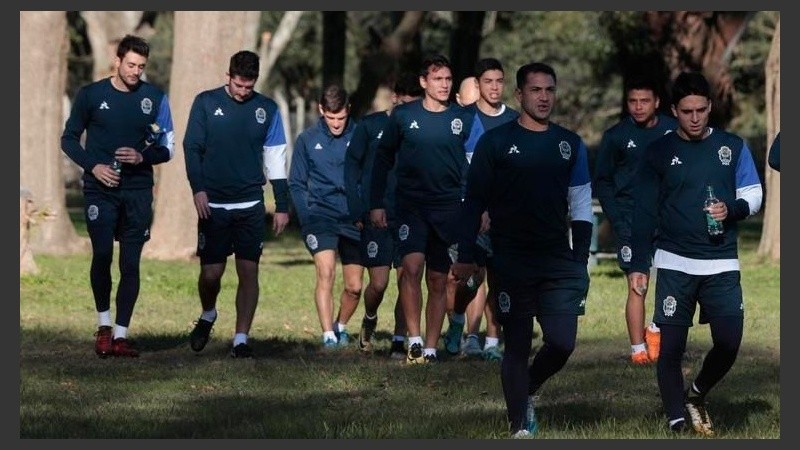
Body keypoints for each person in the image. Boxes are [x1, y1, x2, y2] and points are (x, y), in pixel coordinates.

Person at [451, 62, 593, 438]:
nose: (544, 97)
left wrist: (580, 259)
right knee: (516, 341)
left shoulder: (569, 143)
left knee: (562, 342)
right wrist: (467, 254)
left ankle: (526, 387)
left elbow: (580, 205)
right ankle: (518, 426)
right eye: (536, 90)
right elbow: (473, 200)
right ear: (520, 95)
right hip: (510, 257)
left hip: (558, 258)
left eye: (549, 90)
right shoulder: (494, 143)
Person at [628, 71, 763, 435]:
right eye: (686, 111)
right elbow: (643, 211)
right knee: (671, 347)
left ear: (710, 107)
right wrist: (638, 263)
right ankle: (676, 423)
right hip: (674, 262)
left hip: (721, 262)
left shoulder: (732, 147)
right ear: (674, 110)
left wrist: (730, 209)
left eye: (701, 110)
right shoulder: (658, 152)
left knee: (729, 342)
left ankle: (697, 393)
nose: (694, 118)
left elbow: (753, 194)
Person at [61, 34, 175, 358]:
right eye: (131, 64)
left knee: (130, 263)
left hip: (138, 192)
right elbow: (68, 139)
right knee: (102, 256)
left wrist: (144, 158)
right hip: (101, 190)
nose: (136, 71)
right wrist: (93, 166)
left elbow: (169, 146)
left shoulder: (155, 98)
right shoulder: (91, 95)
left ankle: (122, 336)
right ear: (117, 60)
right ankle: (103, 325)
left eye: (141, 66)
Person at [183, 50, 289, 359]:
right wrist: (198, 190)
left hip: (250, 204)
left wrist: (282, 204)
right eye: (238, 85)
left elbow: (276, 158)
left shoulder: (267, 109)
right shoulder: (205, 103)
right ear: (227, 76)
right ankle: (208, 313)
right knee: (211, 274)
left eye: (249, 86)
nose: (243, 92)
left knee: (248, 272)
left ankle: (241, 338)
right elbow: (192, 148)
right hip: (213, 204)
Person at [370, 54, 475, 364]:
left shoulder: (463, 119)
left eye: (448, 79)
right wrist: (376, 203)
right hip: (411, 207)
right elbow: (383, 159)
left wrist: (475, 206)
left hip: (448, 209)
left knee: (439, 280)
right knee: (412, 269)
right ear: (423, 82)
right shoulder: (402, 116)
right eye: (438, 79)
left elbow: (474, 167)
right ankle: (413, 341)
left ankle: (430, 348)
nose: (444, 85)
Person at [592, 75, 677, 365]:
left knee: (671, 281)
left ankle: (655, 328)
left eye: (644, 101)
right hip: (630, 220)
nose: (638, 107)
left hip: (668, 219)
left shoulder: (673, 130)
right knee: (637, 283)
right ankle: (638, 349)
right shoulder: (615, 136)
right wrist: (617, 220)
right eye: (632, 101)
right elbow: (602, 181)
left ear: (657, 102)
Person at [444, 57, 521, 362]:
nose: (493, 87)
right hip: (469, 212)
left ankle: (491, 341)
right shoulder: (461, 119)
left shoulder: (514, 120)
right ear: (477, 85)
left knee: (501, 279)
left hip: (505, 213)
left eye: (499, 81)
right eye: (487, 81)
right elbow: (451, 168)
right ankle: (460, 318)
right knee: (472, 279)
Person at [344, 72, 423, 358]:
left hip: (409, 214)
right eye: (406, 104)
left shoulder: (419, 128)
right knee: (378, 284)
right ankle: (369, 317)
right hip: (376, 215)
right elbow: (352, 167)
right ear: (394, 99)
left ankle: (400, 340)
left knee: (409, 279)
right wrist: (358, 208)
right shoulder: (370, 126)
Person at [289, 83, 364, 349]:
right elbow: (296, 183)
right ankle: (328, 337)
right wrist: (306, 216)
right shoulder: (307, 139)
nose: (336, 123)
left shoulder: (361, 136)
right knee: (326, 271)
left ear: (348, 111)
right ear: (321, 110)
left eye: (341, 118)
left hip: (353, 218)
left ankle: (340, 326)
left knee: (355, 287)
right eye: (330, 117)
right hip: (320, 216)